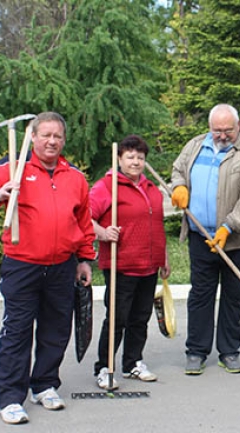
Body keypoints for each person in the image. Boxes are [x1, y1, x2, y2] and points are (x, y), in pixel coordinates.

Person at [0, 112, 95, 425]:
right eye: (46, 135)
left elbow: (82, 222)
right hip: (22, 264)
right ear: (35, 137)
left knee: (56, 329)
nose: (52, 141)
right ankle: (11, 397)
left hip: (61, 265)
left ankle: (44, 384)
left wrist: (84, 259)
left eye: (57, 136)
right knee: (18, 330)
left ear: (64, 140)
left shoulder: (75, 178)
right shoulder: (13, 166)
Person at [171, 103, 240, 375]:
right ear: (210, 128)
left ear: (238, 127)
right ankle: (196, 351)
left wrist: (228, 227)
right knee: (201, 293)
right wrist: (179, 185)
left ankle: (229, 351)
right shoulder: (194, 146)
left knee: (234, 296)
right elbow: (178, 169)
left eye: (228, 130)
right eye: (217, 130)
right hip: (200, 235)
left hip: (236, 240)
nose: (222, 135)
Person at [90, 134, 170, 389]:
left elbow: (156, 224)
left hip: (149, 264)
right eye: (130, 157)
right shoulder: (107, 186)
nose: (135, 162)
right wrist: (102, 233)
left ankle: (133, 362)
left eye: (140, 157)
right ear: (119, 159)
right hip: (121, 264)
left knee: (140, 317)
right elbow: (83, 217)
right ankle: (104, 367)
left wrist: (163, 256)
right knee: (117, 318)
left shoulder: (151, 188)